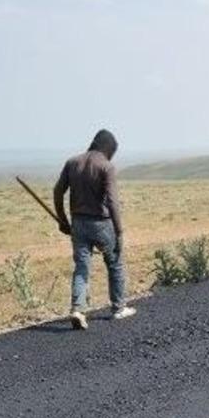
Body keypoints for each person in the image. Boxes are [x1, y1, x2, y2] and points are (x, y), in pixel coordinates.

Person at [53, 129, 135, 330]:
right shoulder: (106, 166)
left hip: (78, 224)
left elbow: (57, 191)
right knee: (115, 263)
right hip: (101, 224)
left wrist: (63, 221)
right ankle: (118, 308)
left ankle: (77, 309)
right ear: (108, 148)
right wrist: (119, 232)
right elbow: (112, 202)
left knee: (81, 267)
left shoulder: (72, 163)